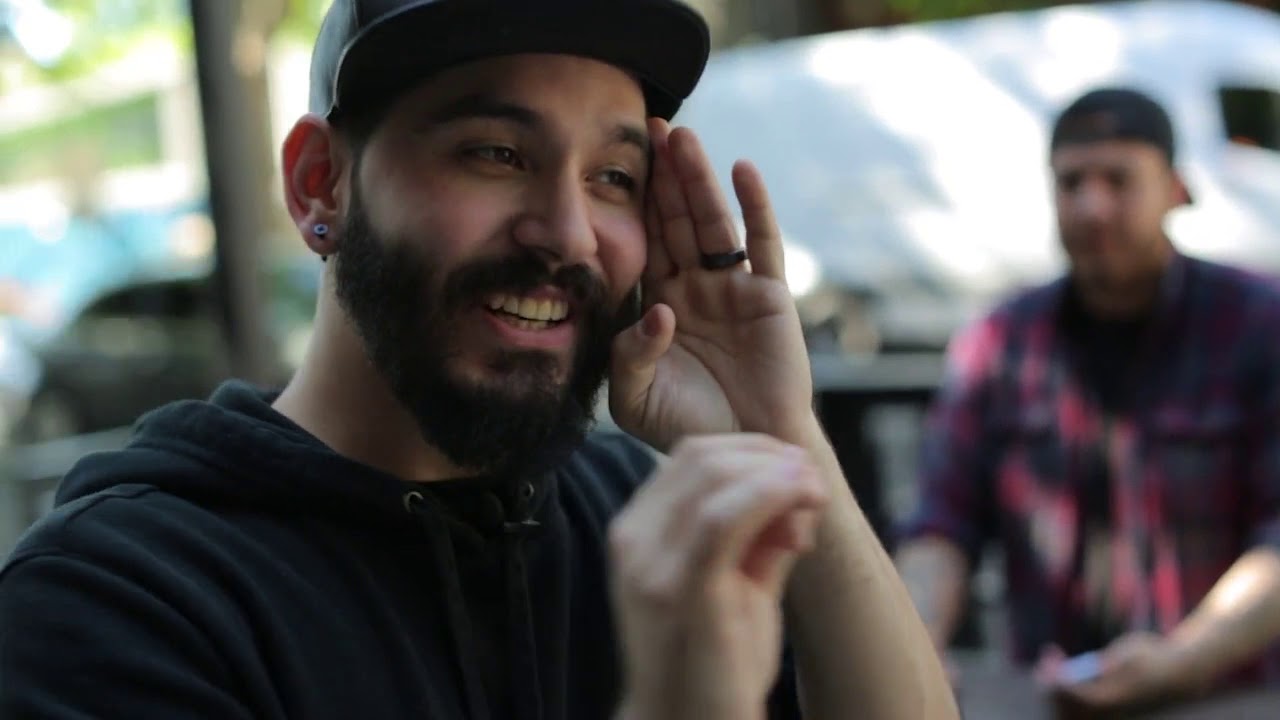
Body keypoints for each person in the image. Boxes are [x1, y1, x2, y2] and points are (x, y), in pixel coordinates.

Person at [0, 1, 958, 718]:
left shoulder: (644, 515)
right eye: (495, 153)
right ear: (319, 184)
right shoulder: (114, 599)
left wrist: (779, 436)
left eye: (613, 176)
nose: (569, 233)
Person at [896, 86, 1280, 715]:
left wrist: (1186, 658)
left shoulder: (1259, 324)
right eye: (1071, 182)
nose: (1092, 206)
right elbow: (942, 522)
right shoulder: (1001, 341)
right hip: (1053, 694)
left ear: (1176, 190)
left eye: (1119, 180)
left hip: (1229, 698)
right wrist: (913, 645)